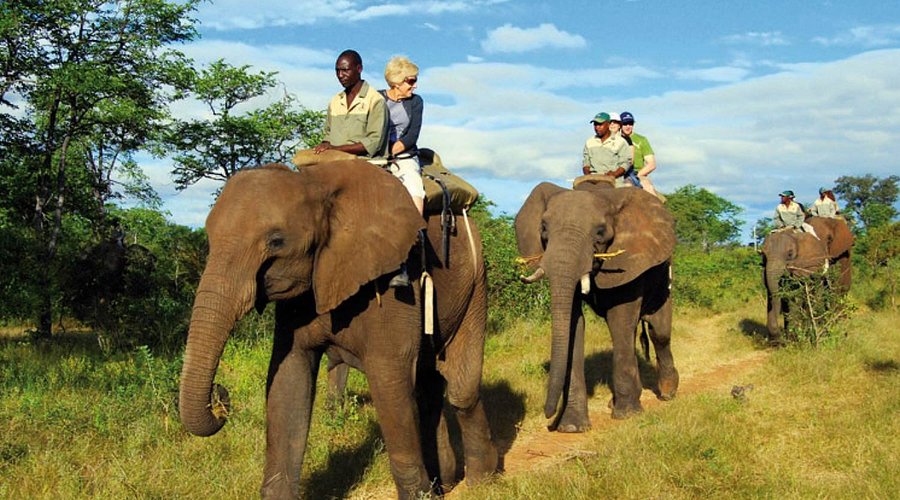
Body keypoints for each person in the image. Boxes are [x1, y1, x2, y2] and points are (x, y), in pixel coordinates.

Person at [314, 50, 388, 160]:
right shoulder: (335, 101)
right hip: (334, 159)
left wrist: (336, 149)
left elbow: (374, 142)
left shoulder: (375, 100)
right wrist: (324, 144)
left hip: (365, 162)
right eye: (337, 71)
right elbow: (327, 134)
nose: (340, 75)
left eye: (345, 70)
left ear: (359, 69)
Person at [379, 56, 425, 217]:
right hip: (374, 154)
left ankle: (417, 230)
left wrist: (389, 153)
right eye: (411, 81)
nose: (415, 86)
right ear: (396, 82)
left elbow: (412, 136)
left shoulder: (416, 102)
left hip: (403, 155)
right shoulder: (376, 99)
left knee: (414, 184)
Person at [582, 112, 631, 187]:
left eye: (600, 124)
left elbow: (625, 163)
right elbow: (586, 162)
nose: (597, 127)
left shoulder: (620, 142)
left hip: (613, 181)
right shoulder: (589, 142)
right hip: (593, 179)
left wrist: (614, 174)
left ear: (608, 124)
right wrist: (588, 176)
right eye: (595, 124)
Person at [619, 111, 658, 195]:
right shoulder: (616, 139)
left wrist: (638, 176)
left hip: (638, 173)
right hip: (619, 173)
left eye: (630, 124)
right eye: (625, 124)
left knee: (650, 190)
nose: (628, 126)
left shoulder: (641, 140)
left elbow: (651, 164)